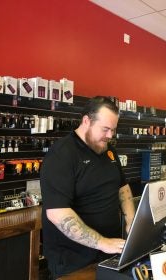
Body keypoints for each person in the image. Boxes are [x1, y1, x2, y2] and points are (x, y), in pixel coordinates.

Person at [40, 96, 135, 278]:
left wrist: (131, 221)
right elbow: (57, 213)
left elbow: (122, 188)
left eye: (113, 130)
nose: (110, 136)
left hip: (108, 252)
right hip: (74, 260)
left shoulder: (107, 150)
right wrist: (102, 242)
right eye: (105, 129)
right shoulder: (61, 155)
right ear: (86, 121)